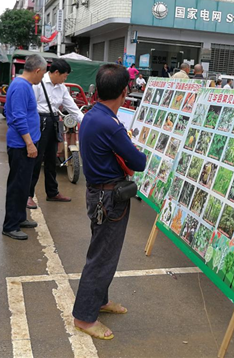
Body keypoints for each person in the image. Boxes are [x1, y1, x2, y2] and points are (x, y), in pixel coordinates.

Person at [72, 64, 146, 340]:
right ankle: (84, 317)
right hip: (109, 199)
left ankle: (99, 301)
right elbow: (138, 162)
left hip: (98, 194)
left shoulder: (93, 115)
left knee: (102, 252)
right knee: (102, 258)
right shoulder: (110, 124)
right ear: (125, 92)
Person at [3, 54, 48, 240]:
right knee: (18, 185)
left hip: (26, 143)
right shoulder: (21, 86)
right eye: (43, 73)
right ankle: (10, 225)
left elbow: (8, 110)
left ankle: (19, 218)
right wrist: (29, 143)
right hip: (22, 145)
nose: (43, 78)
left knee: (24, 184)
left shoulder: (23, 85)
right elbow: (18, 117)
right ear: (37, 70)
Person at [29, 59, 83, 206]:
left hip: (54, 121)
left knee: (52, 159)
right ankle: (28, 194)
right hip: (40, 121)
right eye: (64, 76)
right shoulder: (39, 83)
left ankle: (52, 192)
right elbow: (31, 106)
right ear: (56, 73)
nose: (65, 79)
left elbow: (71, 106)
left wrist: (84, 121)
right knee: (36, 159)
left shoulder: (61, 87)